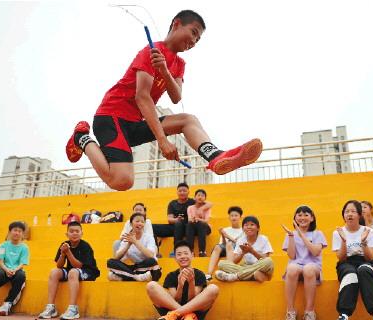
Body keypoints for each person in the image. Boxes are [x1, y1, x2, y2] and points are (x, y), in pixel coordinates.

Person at [65, 9, 263, 191]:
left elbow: (176, 97)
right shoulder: (149, 52)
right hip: (111, 117)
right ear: (177, 24)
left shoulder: (179, 63)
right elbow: (142, 97)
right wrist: (162, 141)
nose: (194, 41)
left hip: (134, 124)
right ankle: (81, 138)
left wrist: (165, 71)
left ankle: (215, 156)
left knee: (189, 119)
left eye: (198, 39)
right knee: (123, 181)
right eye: (193, 32)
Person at [331, 200, 373, 320]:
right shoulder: (338, 232)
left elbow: (370, 257)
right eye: (347, 211)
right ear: (343, 215)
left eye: (353, 211)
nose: (349, 214)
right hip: (347, 263)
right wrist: (343, 240)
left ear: (359, 215)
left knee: (363, 270)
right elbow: (341, 258)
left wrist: (363, 242)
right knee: (350, 274)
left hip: (367, 261)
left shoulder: (368, 231)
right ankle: (344, 317)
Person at [146, 240, 219, 320]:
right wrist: (180, 285)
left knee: (213, 288)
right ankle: (187, 314)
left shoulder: (199, 274)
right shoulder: (171, 276)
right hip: (172, 318)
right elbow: (175, 300)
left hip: (192, 316)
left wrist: (191, 282)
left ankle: (180, 314)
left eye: (185, 253)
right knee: (151, 286)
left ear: (192, 255)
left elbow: (193, 299)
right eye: (179, 254)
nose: (183, 256)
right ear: (175, 258)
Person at [38, 222, 100, 320]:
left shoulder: (85, 246)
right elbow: (59, 265)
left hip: (88, 272)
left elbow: (79, 266)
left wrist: (68, 252)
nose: (74, 233)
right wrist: (63, 254)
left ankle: (73, 309)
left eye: (77, 231)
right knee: (54, 272)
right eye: (71, 231)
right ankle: (51, 308)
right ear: (67, 234)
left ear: (81, 233)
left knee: (73, 271)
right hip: (72, 271)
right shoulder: (64, 244)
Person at [280, 206, 327, 320]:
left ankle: (310, 313)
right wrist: (291, 236)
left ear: (312, 218)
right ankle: (290, 313)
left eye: (306, 215)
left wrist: (301, 235)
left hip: (313, 266)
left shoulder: (318, 233)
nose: (302, 217)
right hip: (297, 265)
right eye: (299, 215)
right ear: (295, 218)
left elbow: (316, 252)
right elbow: (291, 255)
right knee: (291, 268)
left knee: (308, 269)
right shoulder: (291, 234)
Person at [154, 183, 211, 257]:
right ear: (177, 192)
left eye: (184, 191)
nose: (182, 192)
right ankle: (164, 252)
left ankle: (196, 251)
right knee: (152, 227)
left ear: (188, 192)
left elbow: (209, 204)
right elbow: (169, 219)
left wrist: (201, 209)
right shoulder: (172, 203)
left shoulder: (192, 201)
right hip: (177, 227)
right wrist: (176, 219)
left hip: (190, 227)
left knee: (187, 225)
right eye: (180, 191)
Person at [215, 216, 273, 282]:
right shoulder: (241, 240)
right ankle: (249, 276)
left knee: (269, 261)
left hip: (261, 268)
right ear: (243, 229)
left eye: (252, 224)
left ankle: (236, 276)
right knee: (221, 264)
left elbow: (265, 258)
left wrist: (252, 251)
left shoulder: (264, 239)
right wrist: (242, 253)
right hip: (246, 267)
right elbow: (234, 261)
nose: (249, 227)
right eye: (246, 225)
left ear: (258, 228)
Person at [107, 213, 161, 282]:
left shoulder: (149, 237)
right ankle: (136, 277)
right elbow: (116, 258)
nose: (140, 223)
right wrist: (128, 245)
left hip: (145, 267)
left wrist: (135, 242)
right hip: (132, 268)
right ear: (131, 224)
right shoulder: (127, 238)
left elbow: (150, 255)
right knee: (111, 262)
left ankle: (127, 277)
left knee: (152, 262)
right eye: (137, 221)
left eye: (142, 222)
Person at [205, 206, 244, 281]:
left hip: (236, 249)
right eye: (232, 215)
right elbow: (222, 244)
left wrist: (228, 236)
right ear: (229, 217)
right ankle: (209, 274)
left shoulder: (243, 230)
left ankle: (228, 271)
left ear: (240, 217)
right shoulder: (226, 229)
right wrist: (223, 235)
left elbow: (240, 244)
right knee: (217, 247)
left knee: (229, 244)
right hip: (226, 248)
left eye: (236, 215)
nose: (234, 217)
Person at [186, 189, 212, 257]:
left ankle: (202, 251)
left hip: (205, 228)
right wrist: (193, 220)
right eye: (198, 195)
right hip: (194, 227)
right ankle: (190, 251)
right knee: (189, 224)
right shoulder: (190, 208)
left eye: (202, 196)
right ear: (194, 197)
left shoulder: (207, 208)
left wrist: (198, 219)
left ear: (205, 199)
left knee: (201, 224)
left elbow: (206, 221)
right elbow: (189, 219)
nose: (200, 197)